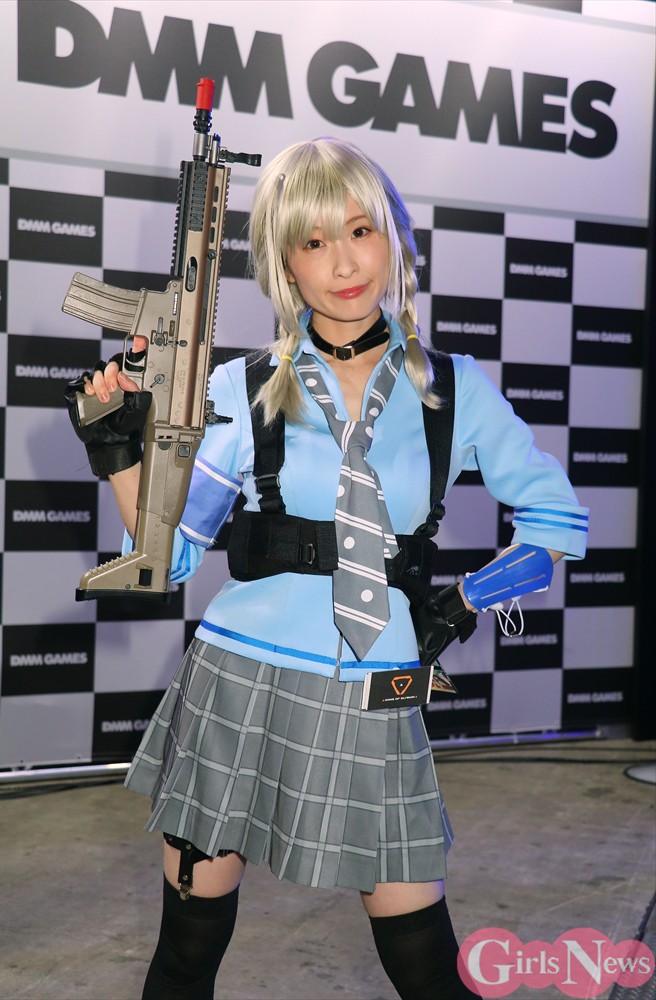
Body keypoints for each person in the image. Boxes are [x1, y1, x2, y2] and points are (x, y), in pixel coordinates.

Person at [68, 137, 588, 1000]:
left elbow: (557, 522)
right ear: (285, 263)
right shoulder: (238, 388)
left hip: (377, 687)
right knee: (187, 955)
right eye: (313, 242)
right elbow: (170, 556)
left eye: (359, 231)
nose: (343, 263)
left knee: (427, 967)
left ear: (394, 238)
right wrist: (116, 447)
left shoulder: (455, 390)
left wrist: (462, 603)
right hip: (237, 684)